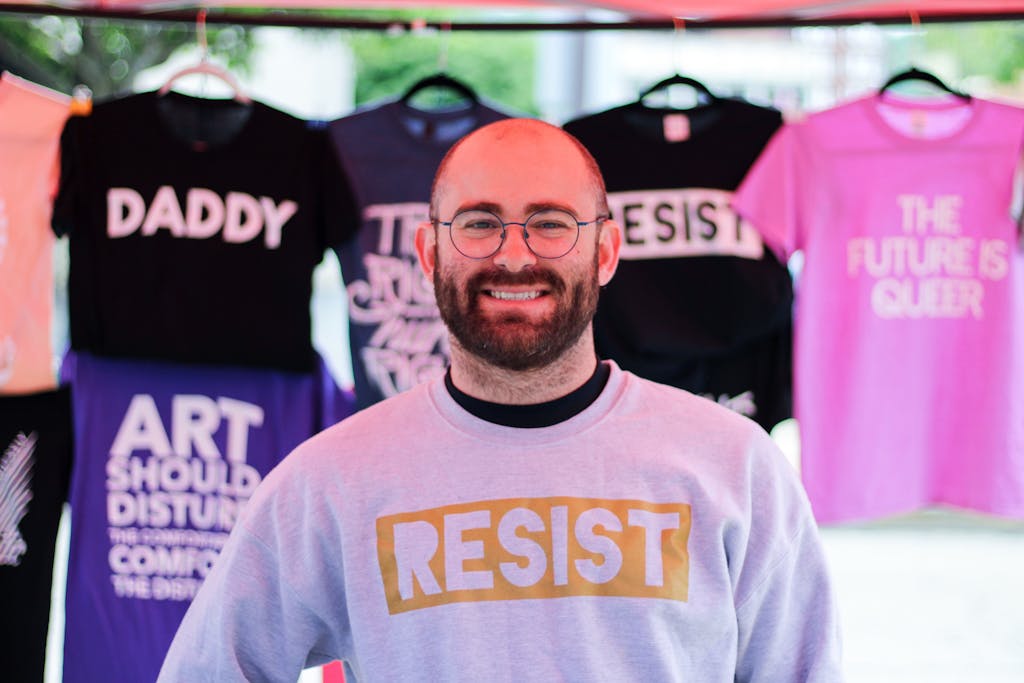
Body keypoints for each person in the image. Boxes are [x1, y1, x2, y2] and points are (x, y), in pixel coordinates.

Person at [158, 119, 842, 682]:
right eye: (479, 223)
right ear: (429, 254)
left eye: (550, 223)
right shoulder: (331, 480)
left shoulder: (734, 466)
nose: (514, 256)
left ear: (605, 252)